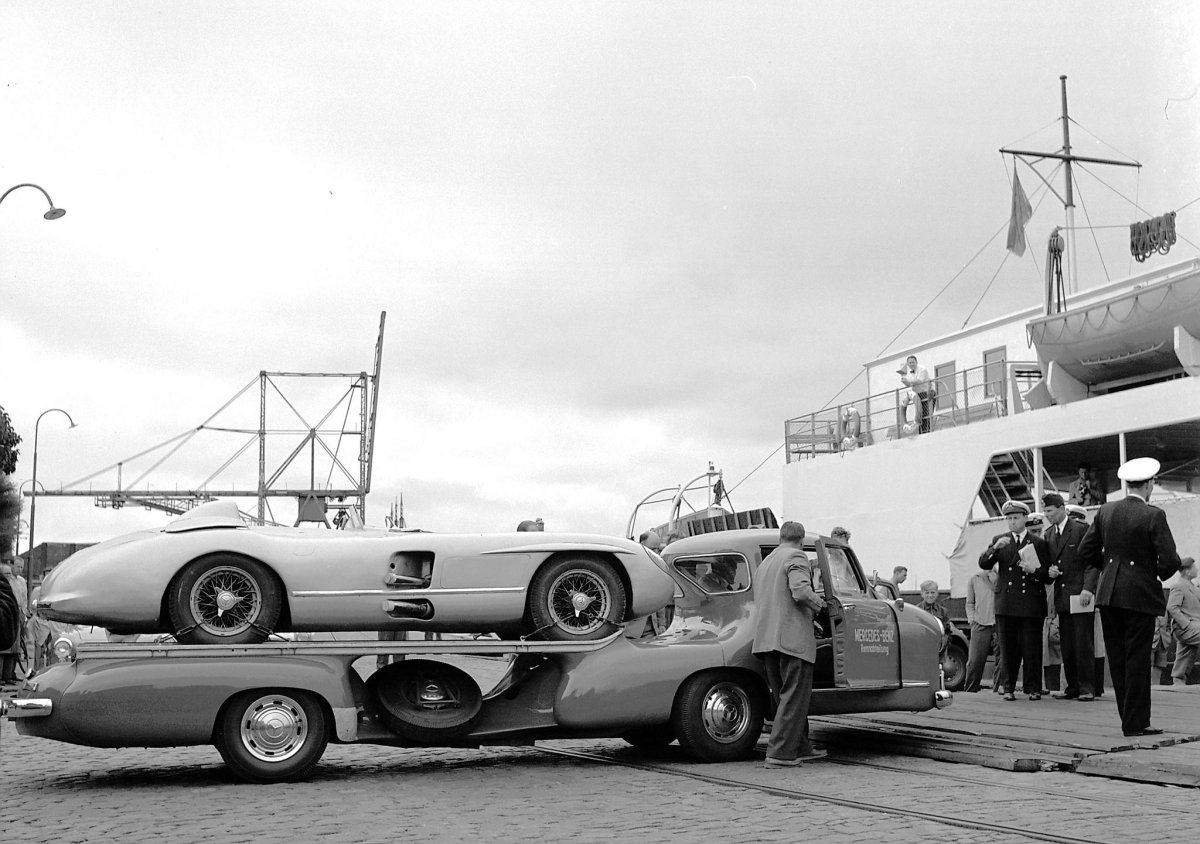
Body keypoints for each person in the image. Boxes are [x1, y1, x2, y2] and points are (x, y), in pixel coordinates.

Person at [1078, 457, 1182, 737]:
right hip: (1139, 595)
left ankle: (1128, 718)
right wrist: (1153, 573)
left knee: (1119, 658)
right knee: (1137, 659)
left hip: (1108, 594)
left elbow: (1086, 551)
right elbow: (1170, 560)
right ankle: (1136, 723)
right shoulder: (1153, 515)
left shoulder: (1106, 511)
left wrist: (1111, 569)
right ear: (1149, 485)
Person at [752, 520, 827, 769]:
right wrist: (821, 606)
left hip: (766, 639)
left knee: (785, 696)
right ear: (802, 540)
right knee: (794, 697)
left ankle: (801, 747)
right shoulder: (796, 556)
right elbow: (800, 591)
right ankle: (781, 753)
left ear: (781, 537)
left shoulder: (766, 562)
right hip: (792, 640)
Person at [978, 499, 1054, 701]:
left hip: (1030, 602)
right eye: (1009, 519)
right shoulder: (1000, 540)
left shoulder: (1037, 543)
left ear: (1025, 519)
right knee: (1008, 648)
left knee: (1032, 647)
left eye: (1016, 518)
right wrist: (994, 548)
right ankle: (1008, 686)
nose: (1012, 522)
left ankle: (1033, 687)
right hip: (1007, 602)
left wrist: (1034, 571)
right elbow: (984, 563)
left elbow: (1047, 574)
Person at [1043, 492, 1098, 701]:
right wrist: (1050, 571)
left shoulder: (1080, 530)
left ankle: (1086, 688)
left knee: (1083, 643)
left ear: (1061, 508)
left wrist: (1088, 589)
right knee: (1067, 644)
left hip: (1080, 594)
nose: (1047, 515)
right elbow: (1049, 562)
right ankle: (1073, 686)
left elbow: (1092, 563)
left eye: (1050, 511)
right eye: (1046, 511)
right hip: (1063, 596)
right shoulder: (1049, 534)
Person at [964, 566, 999, 692]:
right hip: (980, 623)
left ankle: (997, 689)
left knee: (1001, 660)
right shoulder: (975, 578)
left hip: (999, 623)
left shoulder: (1002, 577)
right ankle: (970, 689)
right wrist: (972, 620)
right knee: (975, 660)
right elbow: (970, 602)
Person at [1167, 557, 1200, 685]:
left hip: (1192, 627)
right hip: (1185, 627)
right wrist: (1186, 624)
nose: (1197, 569)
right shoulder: (1178, 586)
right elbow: (1172, 607)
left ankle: (1178, 681)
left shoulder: (1191, 586)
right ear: (1187, 571)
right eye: (1194, 567)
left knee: (1184, 654)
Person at [0, 558, 28, 685]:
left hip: (19, 614)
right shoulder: (5, 583)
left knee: (16, 647)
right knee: (6, 646)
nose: (20, 569)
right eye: (17, 566)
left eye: (22, 567)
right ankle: (2, 676)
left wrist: (25, 614)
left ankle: (10, 673)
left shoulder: (22, 581)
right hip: (7, 614)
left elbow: (24, 598)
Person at [899, 355, 933, 434]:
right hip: (918, 394)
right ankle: (922, 431)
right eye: (909, 363)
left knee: (926, 413)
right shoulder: (910, 374)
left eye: (913, 362)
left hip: (927, 392)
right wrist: (904, 381)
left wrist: (909, 382)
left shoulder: (922, 369)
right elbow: (909, 384)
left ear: (916, 362)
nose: (911, 364)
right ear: (908, 364)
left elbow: (919, 381)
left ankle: (926, 431)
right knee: (920, 413)